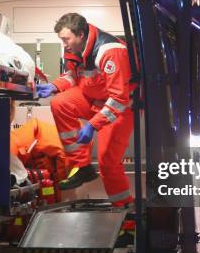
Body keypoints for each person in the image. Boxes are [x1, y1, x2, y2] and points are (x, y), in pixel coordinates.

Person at [35, 13, 135, 206]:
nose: (64, 44)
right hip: (91, 99)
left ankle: (126, 212)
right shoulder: (74, 48)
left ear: (80, 34)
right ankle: (82, 166)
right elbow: (73, 75)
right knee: (59, 102)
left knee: (108, 163)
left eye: (66, 39)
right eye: (61, 40)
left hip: (117, 109)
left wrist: (93, 125)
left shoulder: (111, 52)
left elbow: (118, 99)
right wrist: (55, 86)